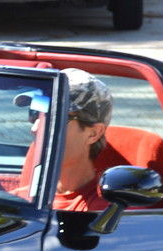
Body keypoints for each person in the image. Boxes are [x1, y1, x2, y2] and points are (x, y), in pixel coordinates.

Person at [16, 68, 114, 211]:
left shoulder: (105, 212)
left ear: (93, 133)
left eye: (54, 118)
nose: (35, 128)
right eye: (35, 113)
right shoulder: (18, 200)